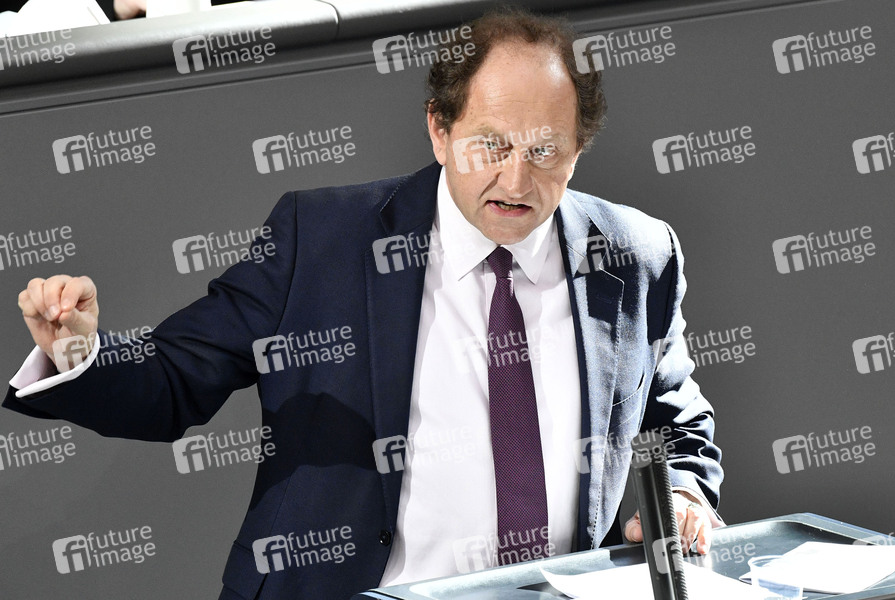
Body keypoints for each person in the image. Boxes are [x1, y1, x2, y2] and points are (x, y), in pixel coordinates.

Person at [5, 9, 723, 600]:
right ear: (439, 129)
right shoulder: (321, 240)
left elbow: (675, 419)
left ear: (579, 147)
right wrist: (76, 348)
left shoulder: (635, 255)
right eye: (491, 145)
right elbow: (171, 383)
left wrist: (686, 492)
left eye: (545, 151)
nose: (515, 179)